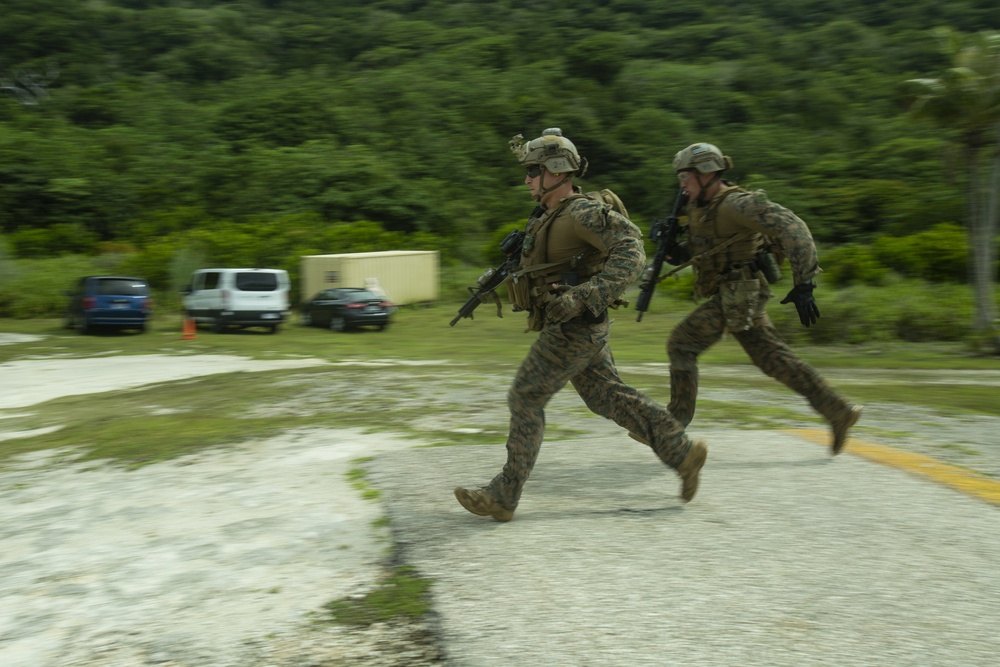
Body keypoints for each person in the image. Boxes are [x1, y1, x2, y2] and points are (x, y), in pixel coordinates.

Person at [453, 128, 707, 522]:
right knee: (609, 398)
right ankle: (682, 453)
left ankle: (503, 495)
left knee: (525, 397)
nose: (526, 179)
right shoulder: (547, 215)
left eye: (533, 171)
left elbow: (633, 252)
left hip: (575, 326)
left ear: (556, 170)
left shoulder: (582, 212)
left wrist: (585, 295)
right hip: (578, 326)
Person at [663, 142, 862, 454]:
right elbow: (704, 251)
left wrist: (804, 281)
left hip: (742, 293)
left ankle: (672, 426)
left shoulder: (736, 204)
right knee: (773, 359)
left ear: (707, 173)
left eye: (685, 176)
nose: (681, 184)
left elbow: (792, 226)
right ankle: (838, 410)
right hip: (734, 295)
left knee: (681, 343)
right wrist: (674, 251)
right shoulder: (703, 208)